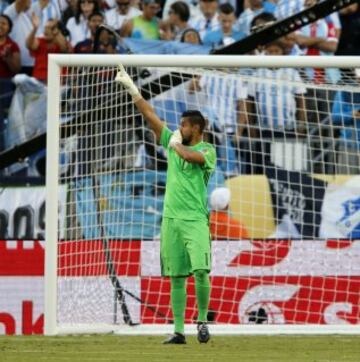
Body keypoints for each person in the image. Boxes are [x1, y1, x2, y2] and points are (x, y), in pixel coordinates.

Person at [115, 64, 216, 344]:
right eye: (179, 124)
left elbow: (193, 159)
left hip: (195, 220)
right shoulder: (173, 140)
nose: (179, 127)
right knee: (176, 277)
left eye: (184, 124)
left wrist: (175, 146)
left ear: (196, 128)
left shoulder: (207, 149)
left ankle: (203, 321)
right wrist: (132, 90)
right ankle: (179, 331)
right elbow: (150, 116)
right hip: (170, 220)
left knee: (200, 271)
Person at [26, 14, 70, 82]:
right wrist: (35, 28)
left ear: (57, 30)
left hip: (57, 82)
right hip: (39, 82)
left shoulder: (63, 42)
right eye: (45, 28)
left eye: (50, 28)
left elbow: (64, 49)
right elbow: (28, 45)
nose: (46, 31)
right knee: (19, 79)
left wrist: (57, 33)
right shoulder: (40, 41)